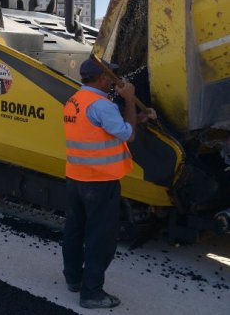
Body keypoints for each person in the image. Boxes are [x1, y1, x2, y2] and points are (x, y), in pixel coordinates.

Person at [62, 58, 156, 309]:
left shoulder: (75, 101)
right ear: (102, 78)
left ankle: (73, 278)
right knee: (100, 238)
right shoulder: (103, 105)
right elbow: (128, 134)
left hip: (76, 178)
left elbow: (105, 128)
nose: (115, 81)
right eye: (112, 77)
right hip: (100, 182)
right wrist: (129, 100)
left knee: (74, 230)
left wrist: (138, 116)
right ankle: (92, 293)